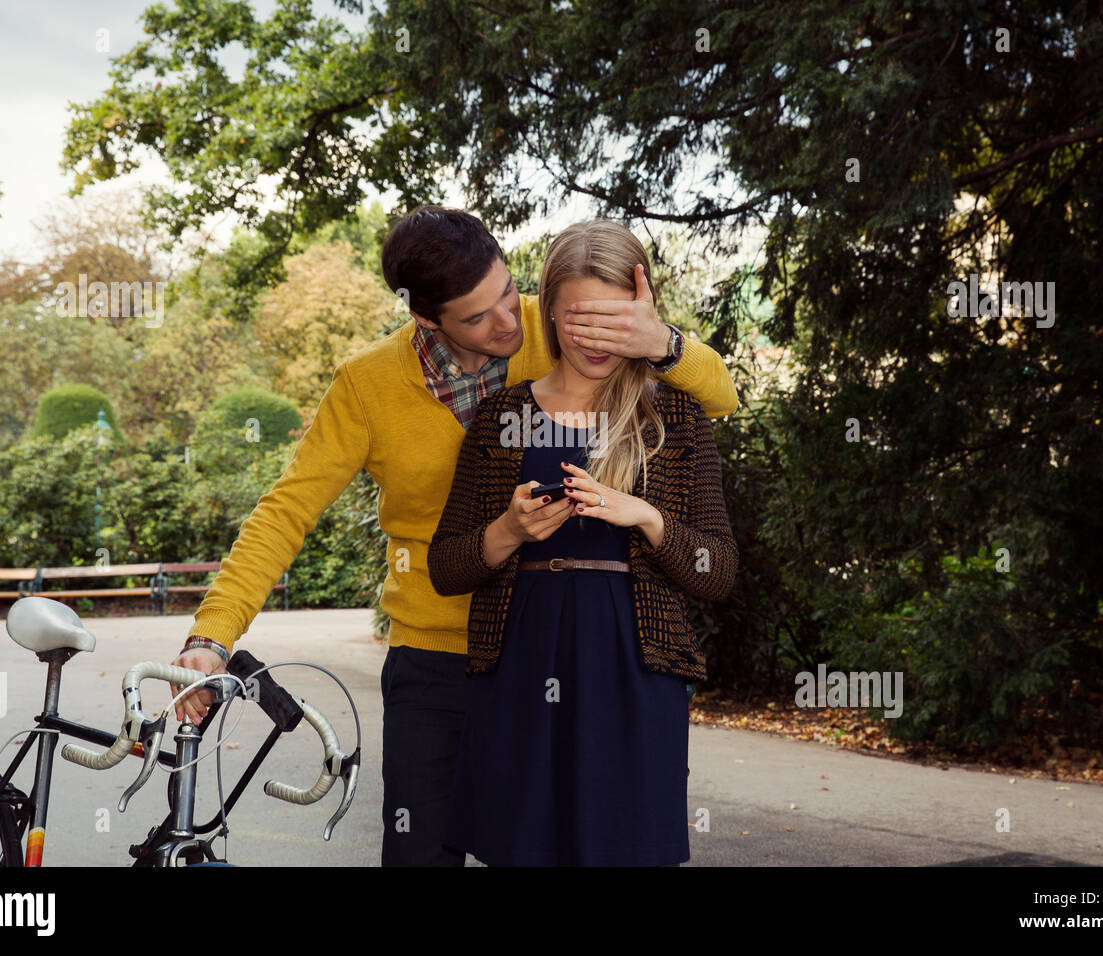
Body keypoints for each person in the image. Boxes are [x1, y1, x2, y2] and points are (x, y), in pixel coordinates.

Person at [168, 205, 738, 866]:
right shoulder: (367, 385)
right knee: (419, 853)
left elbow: (716, 397)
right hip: (436, 661)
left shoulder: (564, 322)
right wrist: (210, 639)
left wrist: (662, 339)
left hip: (549, 661)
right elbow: (285, 512)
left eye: (506, 293)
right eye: (477, 316)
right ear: (425, 317)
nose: (507, 322)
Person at [427, 219, 738, 865]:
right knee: (523, 846)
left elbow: (718, 571)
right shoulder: (501, 416)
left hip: (635, 665)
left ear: (642, 311)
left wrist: (647, 519)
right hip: (518, 660)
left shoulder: (675, 416)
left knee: (621, 847)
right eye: (576, 318)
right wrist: (506, 533)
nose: (594, 337)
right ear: (547, 312)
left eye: (613, 318)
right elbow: (445, 567)